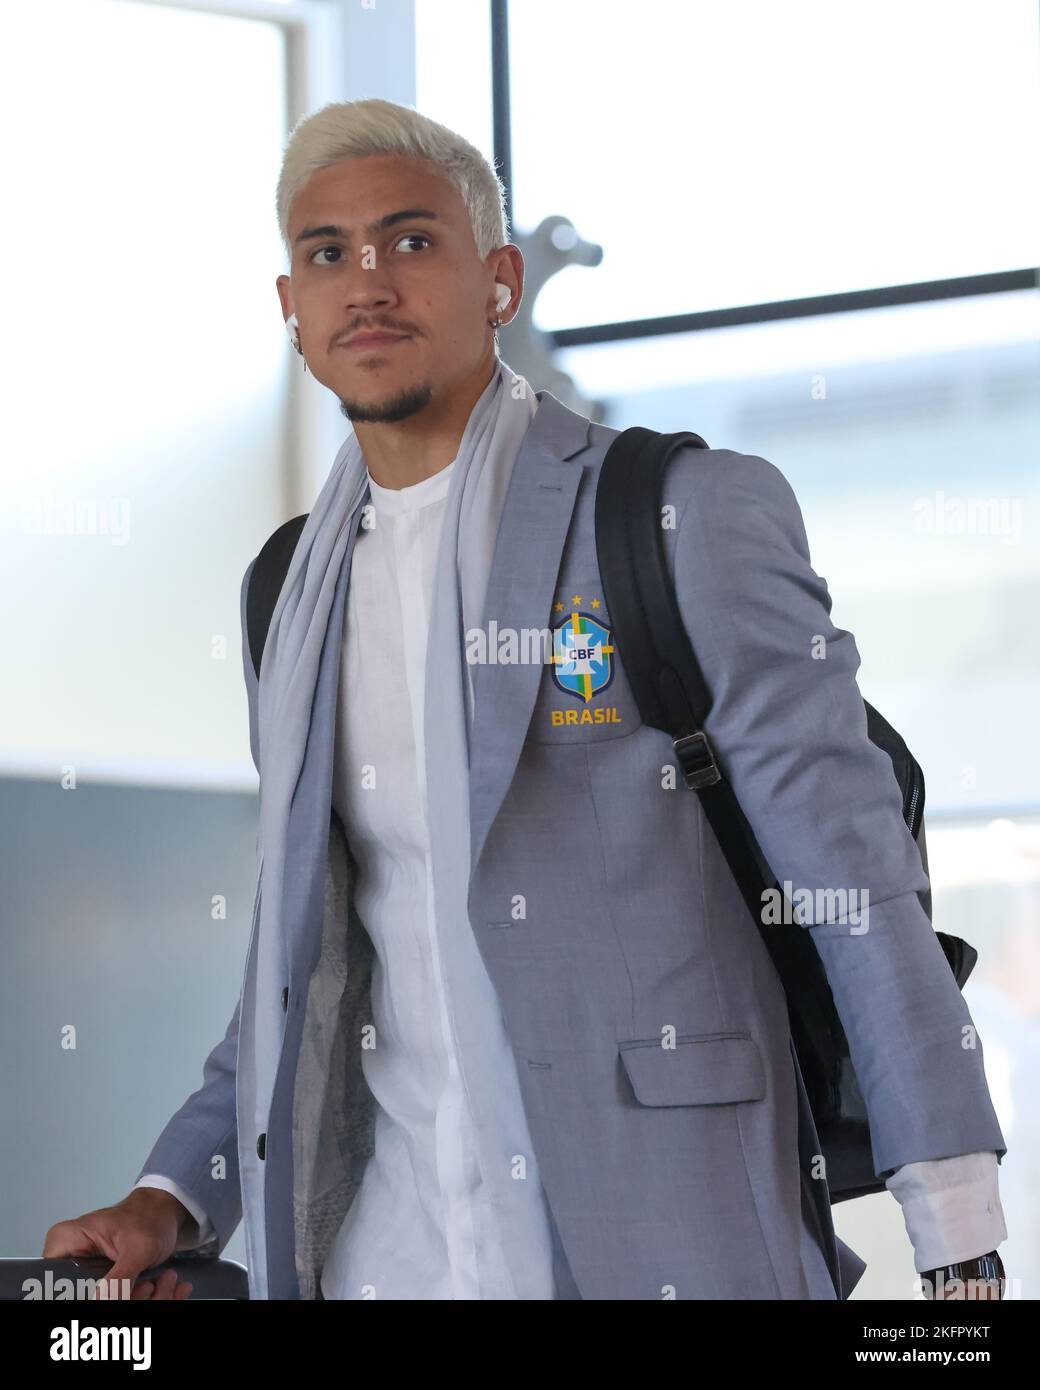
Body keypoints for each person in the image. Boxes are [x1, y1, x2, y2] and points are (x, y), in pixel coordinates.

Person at [44, 98, 1008, 1301]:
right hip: (382, 1258)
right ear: (291, 307)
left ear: (499, 280)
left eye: (410, 240)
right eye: (328, 254)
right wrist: (175, 1195)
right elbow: (305, 958)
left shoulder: (676, 516)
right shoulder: (287, 590)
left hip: (671, 1238)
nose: (367, 281)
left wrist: (958, 1244)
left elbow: (854, 888)